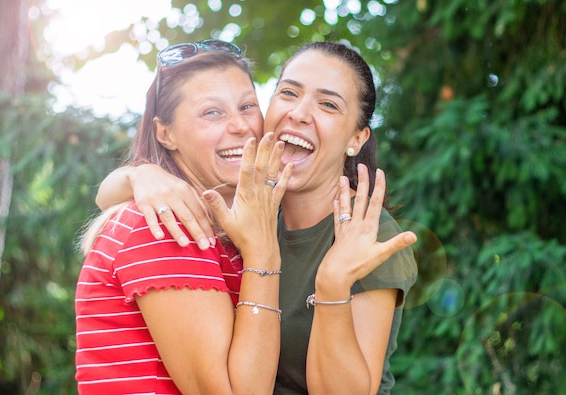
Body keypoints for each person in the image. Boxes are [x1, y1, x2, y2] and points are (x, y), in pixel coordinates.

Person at [96, 41, 418, 394]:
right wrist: (139, 176)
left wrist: (332, 285)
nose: (299, 113)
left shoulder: (366, 233)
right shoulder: (254, 206)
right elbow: (109, 200)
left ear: (356, 138)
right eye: (289, 93)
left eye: (327, 104)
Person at [75, 40, 294, 395]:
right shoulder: (167, 227)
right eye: (212, 112)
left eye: (247, 106)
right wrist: (264, 253)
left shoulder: (226, 231)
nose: (240, 125)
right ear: (166, 134)